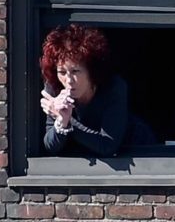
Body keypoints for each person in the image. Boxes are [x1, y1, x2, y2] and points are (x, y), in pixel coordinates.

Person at [37, 24, 158, 159]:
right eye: (62, 72)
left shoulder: (113, 87)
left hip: (136, 152)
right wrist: (61, 122)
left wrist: (67, 121)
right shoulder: (55, 87)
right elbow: (51, 146)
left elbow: (107, 146)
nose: (68, 80)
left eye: (75, 71)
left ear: (91, 70)